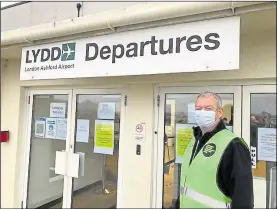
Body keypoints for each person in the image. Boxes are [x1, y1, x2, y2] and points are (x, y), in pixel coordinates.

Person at [175, 91, 253, 209]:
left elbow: (243, 200)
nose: (202, 112)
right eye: (198, 108)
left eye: (208, 108)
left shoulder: (233, 145)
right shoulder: (194, 141)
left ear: (219, 112)